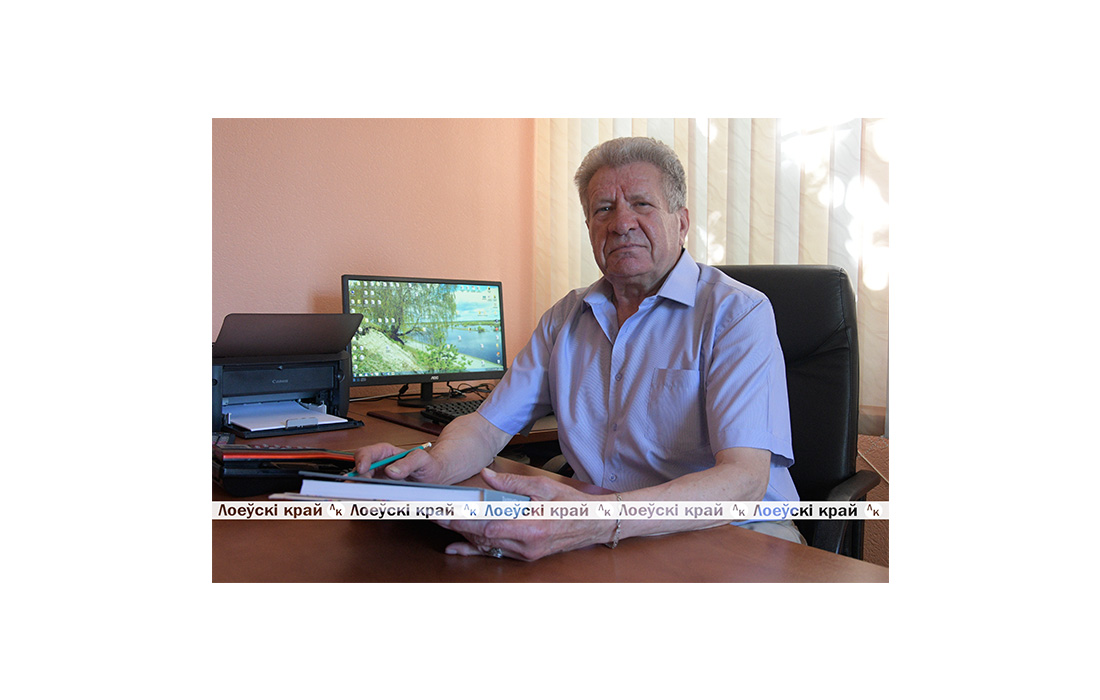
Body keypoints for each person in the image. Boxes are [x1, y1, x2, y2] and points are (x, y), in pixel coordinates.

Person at [353, 136, 803, 560]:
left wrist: (600, 520)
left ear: (681, 222)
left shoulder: (736, 313)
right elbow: (487, 428)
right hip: (610, 531)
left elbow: (744, 480)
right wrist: (434, 466)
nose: (621, 223)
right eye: (603, 209)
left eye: (642, 204)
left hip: (738, 535)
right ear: (589, 228)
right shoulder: (565, 318)